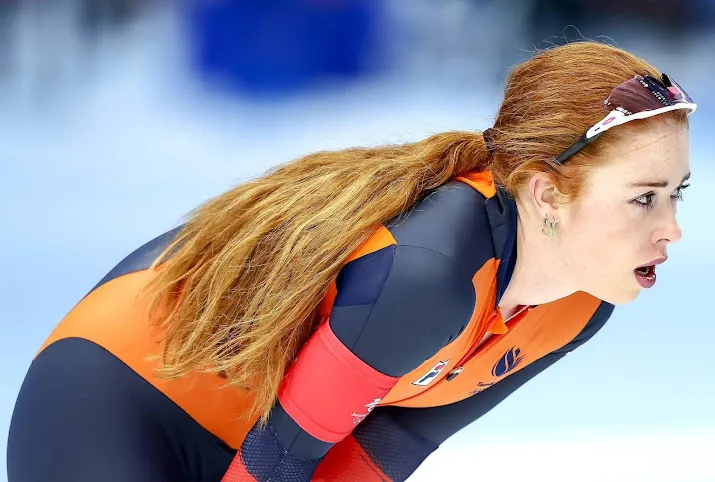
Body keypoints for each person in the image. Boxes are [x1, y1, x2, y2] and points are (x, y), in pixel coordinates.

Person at [6, 40, 697, 482]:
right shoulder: (425, 276)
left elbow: (388, 446)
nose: (671, 229)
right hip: (119, 397)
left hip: (256, 439)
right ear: (546, 192)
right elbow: (282, 462)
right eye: (643, 198)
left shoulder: (577, 305)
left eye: (676, 194)